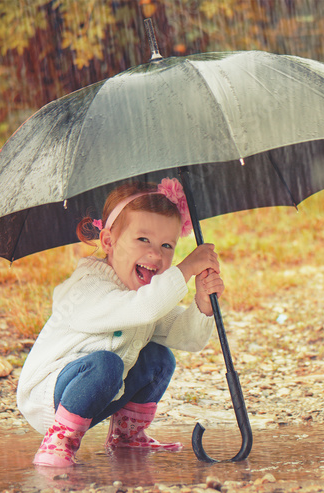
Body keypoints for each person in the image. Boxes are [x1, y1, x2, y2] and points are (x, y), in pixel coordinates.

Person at [17, 178, 223, 467]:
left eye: (167, 245)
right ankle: (58, 441)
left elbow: (186, 337)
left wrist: (203, 302)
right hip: (51, 397)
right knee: (107, 364)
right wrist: (186, 268)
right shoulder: (87, 288)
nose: (156, 254)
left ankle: (127, 436)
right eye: (143, 240)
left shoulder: (140, 295)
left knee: (158, 357)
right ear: (108, 241)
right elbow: (144, 309)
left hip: (100, 394)